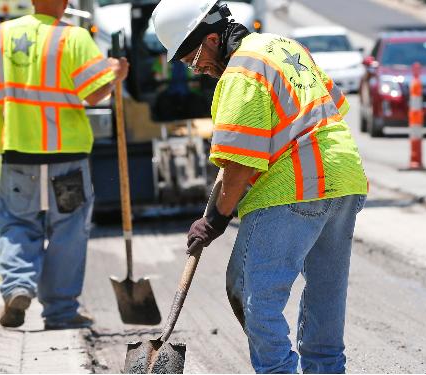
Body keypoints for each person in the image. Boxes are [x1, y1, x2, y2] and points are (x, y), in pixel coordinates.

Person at [153, 0, 368, 373]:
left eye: (192, 59)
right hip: (345, 178)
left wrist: (215, 220)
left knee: (256, 296)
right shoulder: (283, 47)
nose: (197, 70)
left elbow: (237, 167)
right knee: (325, 295)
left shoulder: (240, 73)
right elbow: (332, 107)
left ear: (212, 38)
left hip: (296, 186)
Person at [0, 0, 128, 330]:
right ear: (66, 2)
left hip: (18, 157)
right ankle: (60, 312)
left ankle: (17, 287)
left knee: (16, 223)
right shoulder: (75, 38)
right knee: (68, 231)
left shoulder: (0, 36)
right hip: (67, 160)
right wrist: (115, 74)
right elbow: (96, 94)